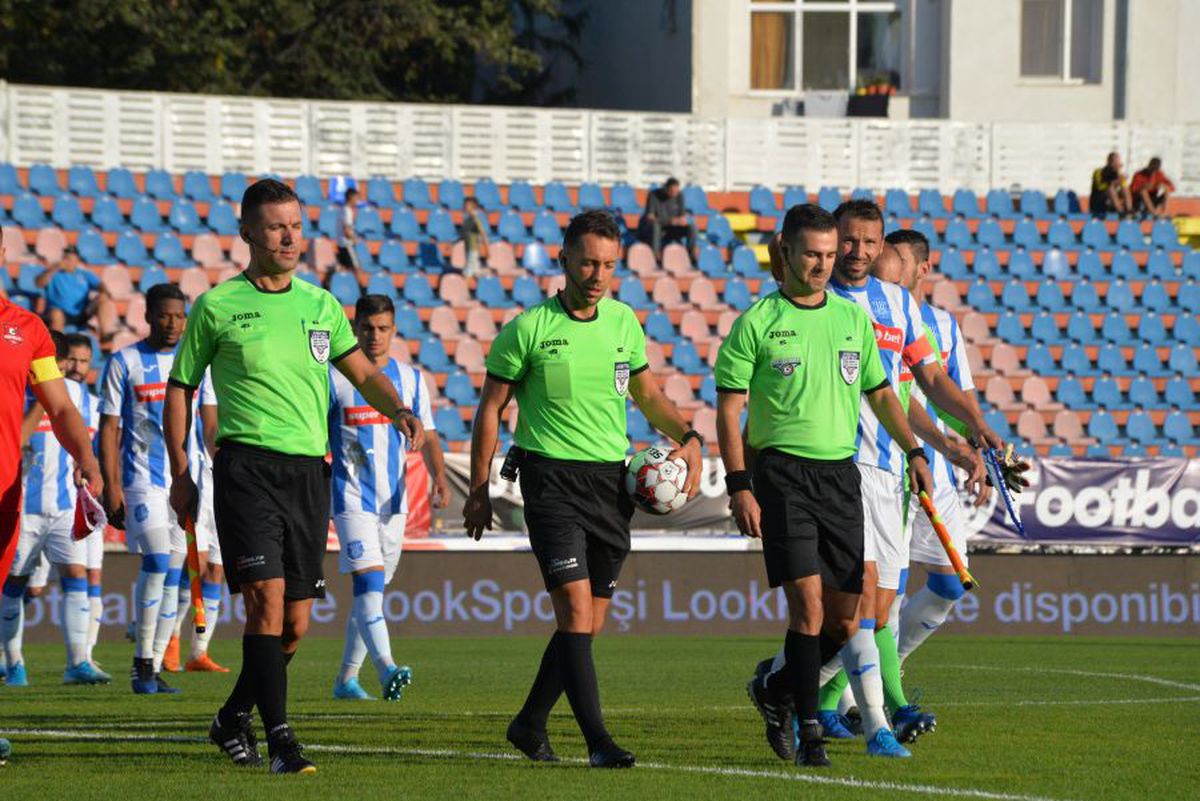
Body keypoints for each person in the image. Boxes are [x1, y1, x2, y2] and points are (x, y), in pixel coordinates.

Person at [163, 179, 424, 774]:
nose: (289, 236)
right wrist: (181, 468)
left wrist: (399, 409)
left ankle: (231, 718)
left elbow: (362, 373)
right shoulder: (217, 306)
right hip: (246, 468)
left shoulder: (320, 305)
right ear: (248, 232)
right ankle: (281, 741)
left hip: (309, 474)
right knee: (266, 601)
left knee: (294, 625)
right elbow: (180, 388)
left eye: (297, 225)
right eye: (276, 226)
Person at [758, 200, 1004, 756]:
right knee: (856, 605)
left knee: (869, 611)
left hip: (891, 469)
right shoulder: (816, 300)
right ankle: (877, 724)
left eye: (871, 243)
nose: (858, 253)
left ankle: (777, 686)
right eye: (849, 241)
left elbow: (926, 379)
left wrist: (972, 427)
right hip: (835, 469)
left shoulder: (896, 303)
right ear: (832, 239)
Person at [463, 209, 703, 769]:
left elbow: (647, 395)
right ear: (564, 259)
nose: (598, 274)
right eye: (589, 262)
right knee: (574, 612)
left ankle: (528, 724)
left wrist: (689, 435)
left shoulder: (623, 323)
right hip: (551, 483)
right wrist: (478, 486)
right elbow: (490, 411)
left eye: (609, 265)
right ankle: (598, 742)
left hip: (611, 485)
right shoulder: (528, 330)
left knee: (588, 623)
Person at [718, 204, 933, 768]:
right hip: (782, 474)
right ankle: (810, 733)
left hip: (842, 476)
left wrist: (913, 447)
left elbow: (883, 393)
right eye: (812, 253)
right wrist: (740, 484)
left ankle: (776, 689)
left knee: (845, 620)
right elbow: (730, 408)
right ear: (784, 252)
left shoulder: (850, 320)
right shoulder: (757, 322)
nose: (822, 264)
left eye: (830, 254)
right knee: (808, 610)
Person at [329, 293, 446, 701]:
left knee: (371, 595)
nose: (374, 336)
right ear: (354, 328)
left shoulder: (411, 379)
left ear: (394, 331)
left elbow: (428, 435)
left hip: (392, 504)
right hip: (350, 499)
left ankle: (346, 679)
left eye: (382, 329)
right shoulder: (334, 377)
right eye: (366, 328)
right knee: (369, 585)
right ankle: (387, 669)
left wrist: (439, 478)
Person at [99, 283, 203, 695]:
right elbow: (110, 427)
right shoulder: (124, 362)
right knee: (158, 561)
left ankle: (155, 665)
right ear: (147, 316)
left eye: (180, 315)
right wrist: (112, 486)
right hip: (142, 481)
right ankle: (141, 665)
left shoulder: (194, 362)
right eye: (165, 315)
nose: (173, 323)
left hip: (182, 482)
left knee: (175, 572)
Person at [0, 331, 108, 685]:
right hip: (25, 507)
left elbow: (83, 437)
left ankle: (78, 662)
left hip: (64, 504)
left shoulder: (80, 397)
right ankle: (13, 662)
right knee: (16, 584)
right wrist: (37, 406)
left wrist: (84, 462)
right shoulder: (20, 392)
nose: (62, 370)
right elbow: (17, 440)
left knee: (75, 576)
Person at [0, 244, 102, 589]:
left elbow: (59, 407)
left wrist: (85, 455)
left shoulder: (28, 329)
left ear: (2, 254)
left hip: (5, 488)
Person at [62, 332, 107, 663]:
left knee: (92, 576)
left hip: (87, 502)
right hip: (51, 500)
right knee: (28, 586)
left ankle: (85, 658)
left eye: (84, 361)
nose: (78, 367)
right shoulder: (54, 398)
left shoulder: (93, 402)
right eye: (72, 360)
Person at [35, 246, 114, 334]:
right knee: (56, 314)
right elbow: (39, 283)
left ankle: (105, 333)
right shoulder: (54, 273)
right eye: (66, 259)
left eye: (72, 259)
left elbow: (99, 284)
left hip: (81, 312)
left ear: (77, 261)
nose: (69, 262)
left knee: (103, 297)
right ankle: (59, 343)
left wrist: (105, 291)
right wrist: (54, 268)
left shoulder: (83, 273)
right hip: (61, 313)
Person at [637, 177, 697, 260]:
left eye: (676, 192)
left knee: (692, 226)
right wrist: (669, 221)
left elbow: (682, 216)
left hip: (672, 228)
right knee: (655, 226)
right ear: (666, 188)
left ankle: (690, 256)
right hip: (656, 229)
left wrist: (682, 220)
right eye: (672, 192)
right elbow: (650, 217)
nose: (674, 194)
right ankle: (655, 256)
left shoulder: (679, 195)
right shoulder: (654, 195)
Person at [1089, 152, 1132, 217]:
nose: (1117, 164)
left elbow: (1123, 187)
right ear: (1109, 162)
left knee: (1125, 189)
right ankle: (1120, 211)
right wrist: (1114, 182)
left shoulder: (1117, 174)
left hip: (1111, 201)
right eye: (1115, 162)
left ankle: (1129, 210)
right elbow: (1100, 187)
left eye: (1118, 162)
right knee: (1110, 189)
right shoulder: (1099, 172)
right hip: (1099, 201)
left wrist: (1120, 175)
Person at [461, 197, 489, 278]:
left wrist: (487, 249)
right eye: (464, 205)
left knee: (467, 273)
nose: (465, 207)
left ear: (473, 206)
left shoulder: (475, 219)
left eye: (467, 205)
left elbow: (483, 234)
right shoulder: (467, 219)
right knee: (475, 273)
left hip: (473, 249)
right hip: (468, 248)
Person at [335, 187, 361, 271]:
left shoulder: (342, 209)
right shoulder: (347, 211)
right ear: (351, 197)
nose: (357, 200)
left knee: (344, 269)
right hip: (347, 245)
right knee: (355, 269)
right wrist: (355, 239)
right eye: (356, 198)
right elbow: (347, 230)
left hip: (341, 244)